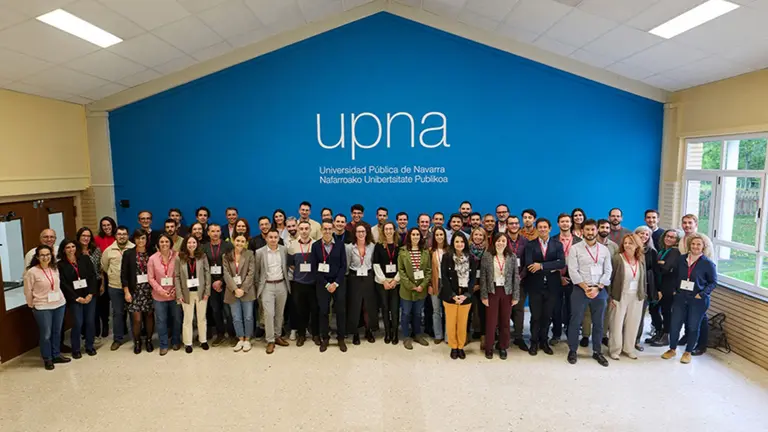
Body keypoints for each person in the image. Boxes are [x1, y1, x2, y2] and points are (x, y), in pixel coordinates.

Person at [662, 234, 717, 364]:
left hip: (697, 299)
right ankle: (672, 349)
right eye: (693, 244)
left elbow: (713, 282)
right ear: (689, 246)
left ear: (703, 247)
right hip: (681, 297)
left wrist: (702, 294)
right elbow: (675, 275)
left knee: (693, 326)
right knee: (675, 325)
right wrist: (675, 290)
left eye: (698, 244)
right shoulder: (681, 259)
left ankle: (687, 352)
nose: (695, 246)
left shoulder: (708, 263)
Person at [566, 219, 612, 367]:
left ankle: (597, 351)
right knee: (575, 320)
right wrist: (585, 287)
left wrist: (598, 287)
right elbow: (572, 271)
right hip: (580, 289)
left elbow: (608, 271)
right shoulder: (575, 248)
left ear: (597, 230)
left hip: (599, 289)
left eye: (593, 230)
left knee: (599, 323)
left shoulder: (604, 250)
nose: (590, 233)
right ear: (583, 231)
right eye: (587, 230)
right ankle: (573, 350)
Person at [524, 218, 565, 356]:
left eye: (545, 227)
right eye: (540, 227)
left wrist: (541, 265)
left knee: (547, 316)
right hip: (535, 285)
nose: (542, 229)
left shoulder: (557, 244)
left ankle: (544, 341)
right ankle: (534, 342)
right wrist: (551, 266)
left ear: (550, 228)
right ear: (537, 229)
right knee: (535, 316)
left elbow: (561, 263)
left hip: (552, 286)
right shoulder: (530, 245)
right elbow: (530, 265)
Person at [24, 245, 70, 370]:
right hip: (42, 306)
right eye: (43, 255)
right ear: (38, 257)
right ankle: (47, 358)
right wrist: (31, 304)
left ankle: (56, 355)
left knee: (57, 332)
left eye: (48, 254)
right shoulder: (32, 272)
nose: (46, 257)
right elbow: (28, 290)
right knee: (46, 334)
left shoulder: (54, 268)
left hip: (59, 304)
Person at [480, 233, 520, 360]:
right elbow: (483, 277)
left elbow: (515, 277)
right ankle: (489, 347)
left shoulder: (512, 256)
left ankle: (503, 347)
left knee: (505, 321)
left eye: (503, 241)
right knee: (491, 321)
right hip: (492, 291)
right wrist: (484, 295)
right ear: (494, 242)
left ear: (506, 242)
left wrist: (515, 295)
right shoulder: (487, 256)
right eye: (498, 240)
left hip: (507, 292)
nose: (500, 243)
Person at [608, 234, 647, 360]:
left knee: (633, 323)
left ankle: (629, 348)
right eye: (625, 243)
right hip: (619, 296)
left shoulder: (641, 259)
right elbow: (610, 279)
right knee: (616, 324)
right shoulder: (617, 259)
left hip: (636, 296)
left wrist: (643, 295)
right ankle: (615, 349)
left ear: (637, 245)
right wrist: (610, 297)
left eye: (630, 243)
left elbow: (643, 278)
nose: (627, 245)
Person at [581, 219, 619, 347]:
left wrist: (604, 283)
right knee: (587, 311)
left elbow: (613, 266)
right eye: (602, 227)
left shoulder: (613, 246)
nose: (605, 230)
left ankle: (603, 335)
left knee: (605, 311)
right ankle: (586, 335)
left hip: (606, 282)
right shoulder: (587, 245)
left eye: (607, 228)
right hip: (590, 282)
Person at [57, 239, 98, 359]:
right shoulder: (61, 265)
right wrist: (76, 298)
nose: (71, 249)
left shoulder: (84, 259)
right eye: (68, 247)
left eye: (73, 246)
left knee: (90, 321)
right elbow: (63, 284)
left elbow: (92, 276)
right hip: (74, 298)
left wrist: (90, 294)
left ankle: (89, 346)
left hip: (89, 296)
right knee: (77, 323)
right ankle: (75, 349)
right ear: (63, 250)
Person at [312, 219, 348, 352]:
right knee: (323, 311)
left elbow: (343, 266)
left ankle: (341, 338)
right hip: (323, 284)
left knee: (340, 311)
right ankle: (325, 338)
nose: (327, 231)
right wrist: (327, 284)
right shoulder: (315, 246)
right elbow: (315, 268)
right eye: (325, 229)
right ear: (321, 230)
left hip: (338, 283)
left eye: (329, 229)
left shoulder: (340, 245)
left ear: (333, 229)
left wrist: (336, 283)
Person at [440, 231, 476, 359]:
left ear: (465, 243)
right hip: (450, 295)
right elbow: (444, 277)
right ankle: (453, 347)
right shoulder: (446, 257)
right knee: (451, 323)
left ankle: (461, 346)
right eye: (457, 241)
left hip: (465, 296)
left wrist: (466, 295)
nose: (459, 244)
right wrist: (453, 295)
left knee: (462, 323)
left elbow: (473, 279)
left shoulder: (471, 258)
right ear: (452, 243)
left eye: (461, 241)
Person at [255, 229, 291, 354]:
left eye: (276, 237)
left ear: (278, 238)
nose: (273, 239)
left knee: (280, 313)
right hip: (267, 286)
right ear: (266, 238)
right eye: (270, 237)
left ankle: (277, 336)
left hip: (282, 284)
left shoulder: (284, 250)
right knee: (269, 314)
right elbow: (257, 272)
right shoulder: (259, 252)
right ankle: (270, 340)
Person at [120, 229, 155, 354]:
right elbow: (123, 274)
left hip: (149, 289)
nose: (141, 241)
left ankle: (149, 340)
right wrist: (126, 292)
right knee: (137, 319)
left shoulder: (152, 252)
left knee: (149, 316)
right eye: (138, 238)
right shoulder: (128, 254)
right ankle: (137, 342)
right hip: (134, 290)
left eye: (143, 238)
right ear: (134, 239)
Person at [175, 235, 211, 353]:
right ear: (185, 244)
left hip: (201, 293)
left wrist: (207, 291)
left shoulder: (202, 256)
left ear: (197, 244)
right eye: (189, 243)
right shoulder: (179, 258)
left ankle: (203, 340)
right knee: (188, 319)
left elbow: (207, 274)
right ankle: (188, 343)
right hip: (186, 293)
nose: (191, 245)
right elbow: (177, 276)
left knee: (202, 318)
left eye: (194, 242)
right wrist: (179, 294)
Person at [100, 226, 134, 350]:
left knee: (133, 312)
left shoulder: (133, 248)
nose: (122, 236)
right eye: (119, 234)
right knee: (117, 313)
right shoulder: (108, 251)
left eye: (124, 234)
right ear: (115, 236)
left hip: (131, 287)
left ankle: (136, 336)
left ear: (128, 235)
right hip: (115, 287)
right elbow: (104, 266)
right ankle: (118, 339)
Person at [397, 227, 432, 350]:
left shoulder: (425, 252)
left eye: (418, 234)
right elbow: (401, 270)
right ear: (409, 236)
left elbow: (428, 270)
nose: (416, 236)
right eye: (413, 234)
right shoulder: (402, 251)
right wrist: (411, 286)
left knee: (418, 313)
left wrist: (422, 285)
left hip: (421, 289)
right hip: (407, 289)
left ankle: (417, 334)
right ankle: (406, 336)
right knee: (406, 313)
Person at [148, 234, 181, 355]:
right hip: (159, 296)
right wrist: (161, 291)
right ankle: (163, 344)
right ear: (158, 244)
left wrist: (175, 289)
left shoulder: (177, 256)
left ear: (170, 243)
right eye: (161, 242)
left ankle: (176, 341)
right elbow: (150, 278)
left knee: (177, 319)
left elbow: (180, 275)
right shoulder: (152, 259)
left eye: (167, 241)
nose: (164, 244)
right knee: (161, 321)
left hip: (175, 294)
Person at [287, 220, 319, 346]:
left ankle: (316, 334)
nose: (304, 231)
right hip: (298, 283)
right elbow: (291, 264)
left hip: (314, 283)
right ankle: (301, 335)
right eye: (302, 229)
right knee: (300, 310)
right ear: (298, 230)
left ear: (310, 230)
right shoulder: (292, 245)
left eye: (307, 228)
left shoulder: (316, 245)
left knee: (315, 310)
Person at [223, 234, 257, 352]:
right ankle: (240, 338)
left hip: (246, 290)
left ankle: (247, 339)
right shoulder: (226, 256)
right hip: (232, 291)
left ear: (246, 242)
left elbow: (251, 273)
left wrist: (242, 289)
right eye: (237, 241)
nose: (239, 243)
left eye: (242, 241)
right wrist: (235, 289)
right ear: (233, 241)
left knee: (248, 316)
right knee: (236, 317)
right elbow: (226, 274)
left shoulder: (250, 254)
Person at [345, 223, 378, 345]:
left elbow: (374, 262)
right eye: (358, 231)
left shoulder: (372, 247)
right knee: (355, 306)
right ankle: (355, 333)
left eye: (363, 231)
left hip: (368, 277)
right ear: (354, 233)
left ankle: (368, 330)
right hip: (354, 278)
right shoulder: (349, 247)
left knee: (368, 305)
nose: (361, 234)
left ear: (367, 233)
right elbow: (347, 264)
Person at [203, 224, 235, 347]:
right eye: (212, 231)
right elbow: (203, 268)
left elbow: (232, 266)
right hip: (211, 283)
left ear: (221, 232)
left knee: (228, 311)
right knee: (216, 310)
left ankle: (232, 335)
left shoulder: (228, 246)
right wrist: (212, 282)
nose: (215, 233)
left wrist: (221, 280)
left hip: (226, 282)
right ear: (208, 233)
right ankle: (220, 334)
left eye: (217, 231)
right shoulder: (204, 247)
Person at [552, 213, 581, 345]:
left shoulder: (579, 241)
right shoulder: (552, 240)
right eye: (562, 221)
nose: (565, 224)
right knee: (556, 307)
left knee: (572, 307)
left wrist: (572, 276)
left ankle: (571, 332)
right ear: (558, 224)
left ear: (571, 224)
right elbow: (549, 260)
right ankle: (556, 333)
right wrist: (559, 277)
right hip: (555, 277)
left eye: (567, 221)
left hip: (573, 278)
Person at [649, 229, 681, 347]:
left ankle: (666, 335)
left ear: (677, 240)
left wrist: (658, 264)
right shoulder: (662, 250)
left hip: (668, 287)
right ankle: (658, 332)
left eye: (672, 237)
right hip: (658, 285)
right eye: (667, 236)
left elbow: (665, 269)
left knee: (666, 311)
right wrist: (660, 263)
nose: (669, 238)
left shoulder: (675, 252)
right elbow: (658, 267)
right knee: (653, 309)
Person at [373, 221, 401, 344]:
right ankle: (387, 333)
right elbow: (376, 264)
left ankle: (395, 333)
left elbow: (402, 266)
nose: (389, 231)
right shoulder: (378, 246)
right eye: (386, 229)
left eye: (391, 229)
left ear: (394, 230)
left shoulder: (400, 246)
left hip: (396, 282)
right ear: (383, 231)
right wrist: (384, 280)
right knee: (385, 308)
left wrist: (395, 280)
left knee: (394, 309)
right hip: (382, 282)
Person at [78, 227, 107, 339]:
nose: (86, 238)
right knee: (82, 309)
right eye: (83, 236)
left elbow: (100, 269)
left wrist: (102, 284)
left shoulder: (96, 250)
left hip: (96, 282)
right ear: (79, 237)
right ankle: (84, 333)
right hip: (80, 284)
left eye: (88, 236)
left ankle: (95, 334)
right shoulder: (75, 251)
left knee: (95, 310)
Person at [506, 215, 529, 351]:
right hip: (504, 281)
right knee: (505, 309)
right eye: (511, 223)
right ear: (507, 225)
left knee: (519, 309)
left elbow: (528, 262)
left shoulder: (525, 242)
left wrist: (521, 276)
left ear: (519, 225)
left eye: (516, 223)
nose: (513, 225)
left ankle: (519, 337)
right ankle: (504, 335)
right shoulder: (501, 239)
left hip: (521, 280)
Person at [634, 225, 658, 351]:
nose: (644, 236)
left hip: (644, 289)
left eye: (646, 234)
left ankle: (637, 341)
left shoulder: (652, 252)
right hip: (629, 288)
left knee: (640, 316)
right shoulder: (629, 248)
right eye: (641, 234)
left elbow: (655, 273)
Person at [468, 228, 488, 349]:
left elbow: (490, 271)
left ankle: (483, 336)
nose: (478, 237)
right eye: (476, 234)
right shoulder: (466, 250)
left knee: (483, 312)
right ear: (472, 236)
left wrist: (480, 284)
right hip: (468, 285)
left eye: (481, 235)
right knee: (468, 310)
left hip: (483, 285)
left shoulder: (488, 252)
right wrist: (471, 285)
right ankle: (465, 334)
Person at [429, 226, 448, 344]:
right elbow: (428, 269)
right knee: (436, 310)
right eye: (437, 235)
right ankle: (438, 335)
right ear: (434, 237)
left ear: (445, 236)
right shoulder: (430, 251)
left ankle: (447, 336)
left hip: (447, 284)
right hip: (435, 283)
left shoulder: (450, 250)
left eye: (441, 234)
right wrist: (430, 284)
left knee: (447, 311)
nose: (439, 237)